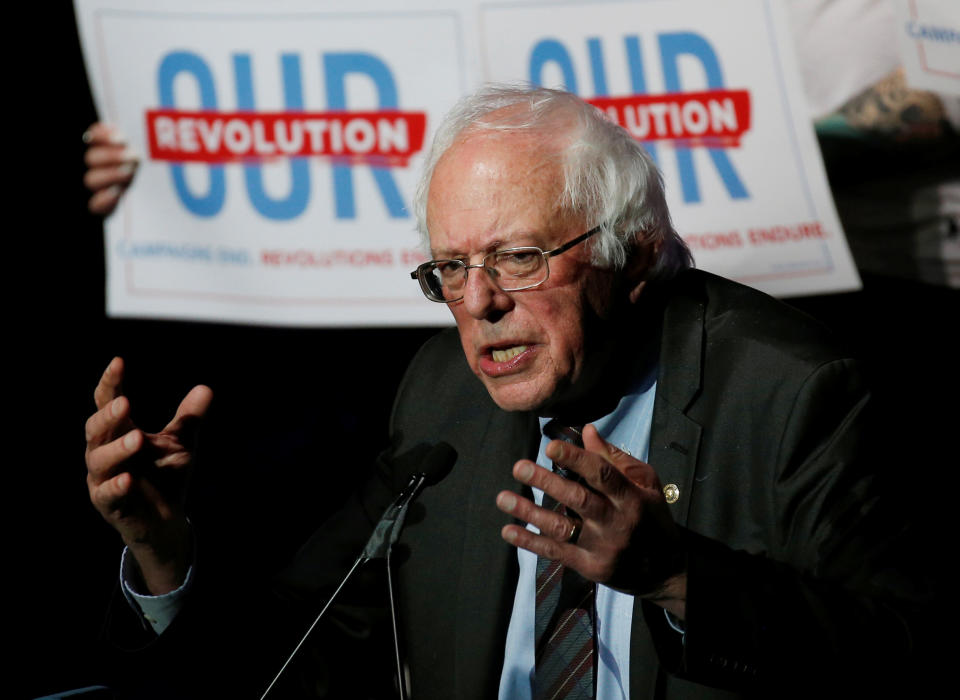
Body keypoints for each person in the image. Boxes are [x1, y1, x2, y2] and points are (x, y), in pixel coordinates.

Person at [84, 85, 920, 699]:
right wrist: (162, 549)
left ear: (632, 252)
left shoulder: (794, 394)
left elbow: (903, 655)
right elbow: (310, 650)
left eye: (519, 258)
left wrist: (675, 576)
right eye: (450, 268)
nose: (477, 305)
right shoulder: (444, 397)